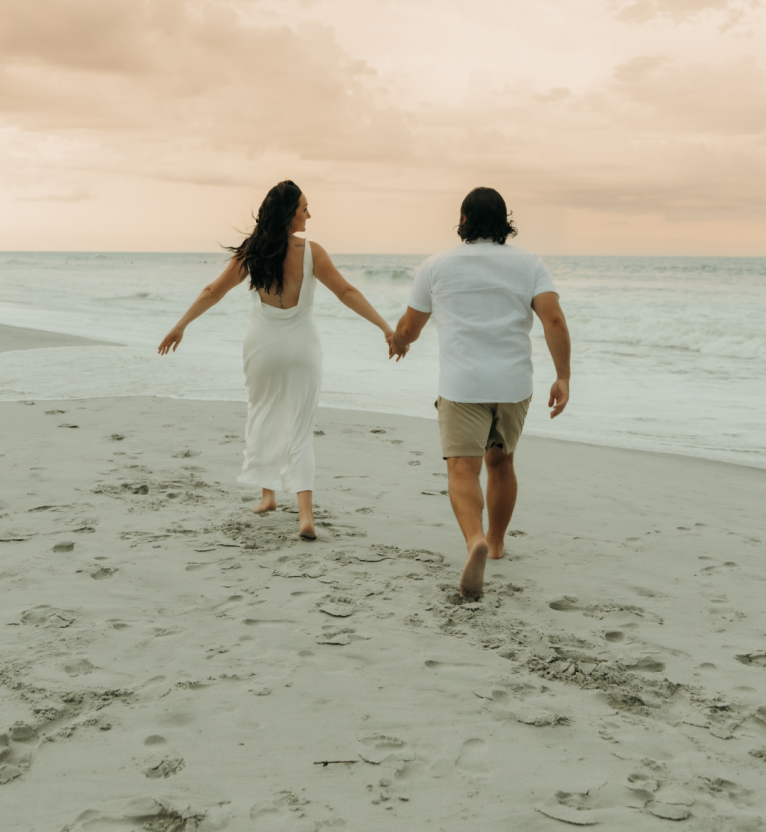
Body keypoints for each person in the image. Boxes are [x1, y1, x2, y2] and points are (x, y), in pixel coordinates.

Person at [158, 179, 394, 540]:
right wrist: (385, 328)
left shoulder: (252, 253)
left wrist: (180, 326)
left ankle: (268, 496)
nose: (309, 214)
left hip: (262, 347)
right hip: (302, 348)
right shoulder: (312, 251)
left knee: (262, 413)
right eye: (304, 208)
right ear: (289, 213)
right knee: (300, 428)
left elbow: (213, 291)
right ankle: (305, 517)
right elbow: (346, 291)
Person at [388, 187, 570, 599]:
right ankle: (498, 542)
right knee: (501, 463)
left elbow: (410, 326)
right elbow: (554, 320)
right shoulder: (530, 264)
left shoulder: (437, 265)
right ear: (505, 220)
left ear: (464, 220)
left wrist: (399, 343)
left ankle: (475, 540)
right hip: (513, 384)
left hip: (462, 385)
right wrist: (563, 376)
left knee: (461, 469)